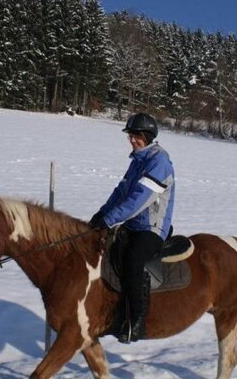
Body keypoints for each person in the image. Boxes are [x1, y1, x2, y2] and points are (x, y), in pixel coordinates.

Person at [89, 112, 175, 343]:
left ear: (147, 136)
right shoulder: (138, 160)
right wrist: (102, 213)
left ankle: (136, 321)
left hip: (151, 228)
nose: (132, 140)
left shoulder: (159, 161)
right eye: (130, 136)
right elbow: (121, 191)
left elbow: (140, 199)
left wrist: (110, 219)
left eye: (136, 136)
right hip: (133, 224)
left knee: (133, 262)